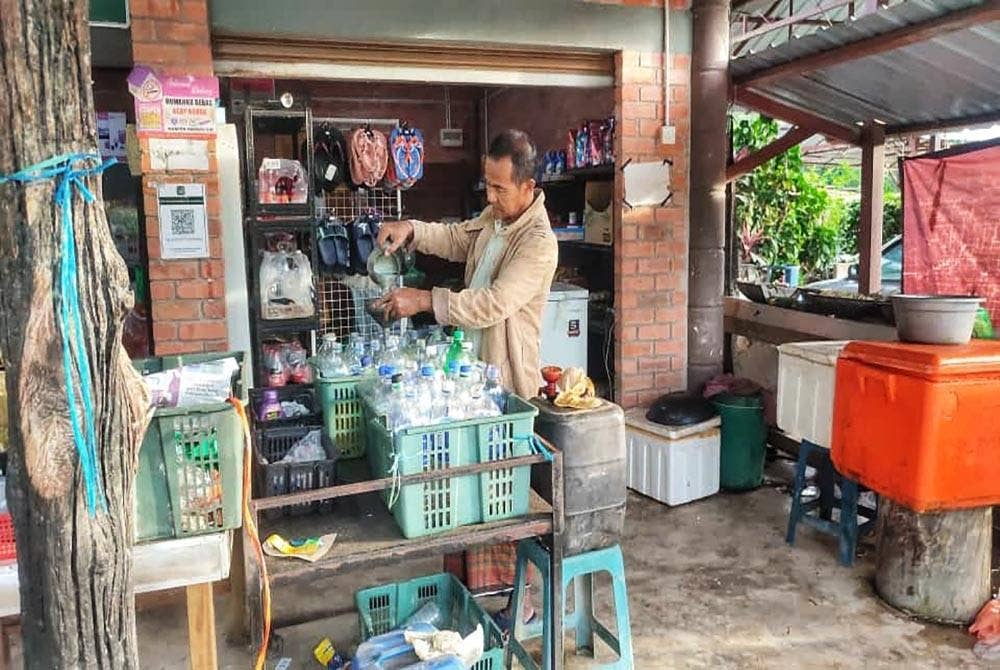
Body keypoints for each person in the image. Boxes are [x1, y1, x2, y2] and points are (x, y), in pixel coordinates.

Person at [374, 129, 557, 625]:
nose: (491, 198)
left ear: (528, 186)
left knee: (502, 503)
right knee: (462, 499)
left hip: (504, 388)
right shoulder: (496, 221)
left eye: (500, 189)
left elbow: (493, 302)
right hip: (468, 378)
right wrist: (411, 227)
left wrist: (424, 300)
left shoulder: (537, 243)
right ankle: (470, 603)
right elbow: (458, 238)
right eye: (487, 187)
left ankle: (518, 607)